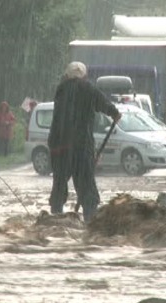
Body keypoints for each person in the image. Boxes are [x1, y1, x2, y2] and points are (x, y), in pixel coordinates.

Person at [48, 61, 121, 221]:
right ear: (84, 75)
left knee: (59, 184)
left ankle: (55, 220)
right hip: (81, 146)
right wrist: (114, 113)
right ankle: (89, 222)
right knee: (86, 186)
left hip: (60, 147)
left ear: (67, 76)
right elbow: (103, 103)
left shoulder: (61, 90)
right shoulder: (88, 88)